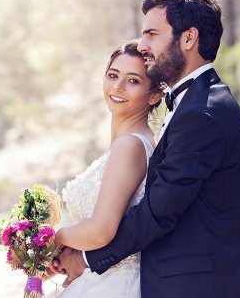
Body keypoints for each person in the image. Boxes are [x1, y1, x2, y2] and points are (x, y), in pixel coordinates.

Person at [51, 0, 240, 298]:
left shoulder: (202, 112)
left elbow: (158, 212)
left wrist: (84, 257)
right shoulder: (194, 104)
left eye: (152, 34)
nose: (144, 44)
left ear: (188, 38)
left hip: (202, 288)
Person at [46, 39, 163, 297]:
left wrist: (51, 240)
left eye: (133, 81)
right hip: (99, 277)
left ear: (154, 95)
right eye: (112, 75)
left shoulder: (131, 146)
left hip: (113, 284)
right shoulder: (125, 144)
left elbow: (101, 231)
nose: (118, 87)